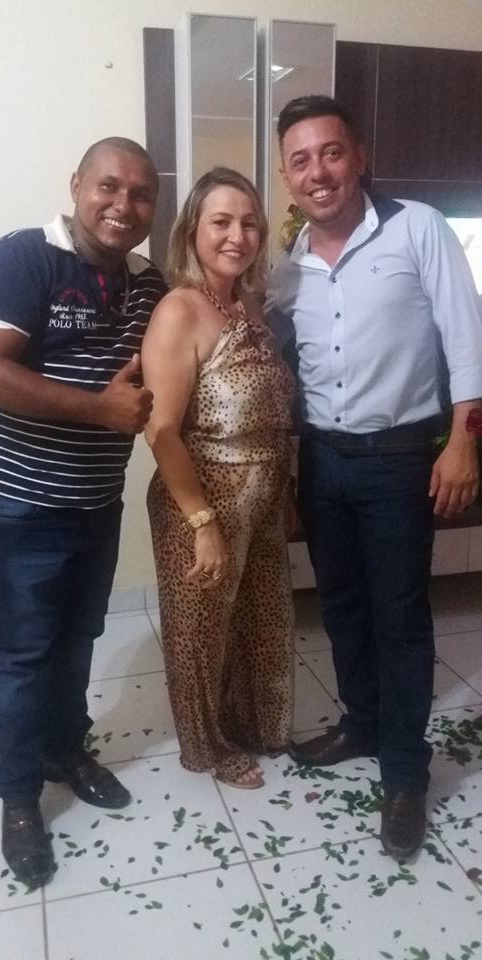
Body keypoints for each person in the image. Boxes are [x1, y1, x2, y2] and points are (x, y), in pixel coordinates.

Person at [265, 95, 482, 859]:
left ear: (358, 156)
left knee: (399, 617)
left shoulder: (417, 228)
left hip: (399, 458)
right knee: (343, 607)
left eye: (331, 152)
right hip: (322, 460)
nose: (318, 171)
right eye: (300, 160)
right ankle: (361, 723)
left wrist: (463, 443)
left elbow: (467, 337)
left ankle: (405, 774)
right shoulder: (289, 267)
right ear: (288, 178)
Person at [0, 137, 166, 888]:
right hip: (25, 500)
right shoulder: (23, 258)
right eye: (108, 187)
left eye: (141, 194)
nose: (123, 206)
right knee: (25, 652)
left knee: (79, 636)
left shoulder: (148, 284)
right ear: (77, 184)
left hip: (97, 499)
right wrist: (101, 410)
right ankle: (19, 795)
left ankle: (65, 749)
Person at [142, 167, 295, 789]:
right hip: (199, 500)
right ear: (193, 232)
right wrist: (202, 523)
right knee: (201, 633)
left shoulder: (249, 306)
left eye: (250, 223)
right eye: (222, 222)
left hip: (262, 499)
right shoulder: (178, 310)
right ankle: (207, 747)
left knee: (260, 620)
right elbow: (161, 430)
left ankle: (253, 725)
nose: (238, 236)